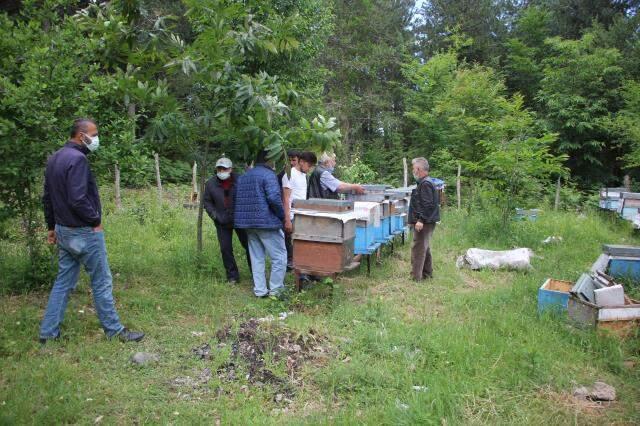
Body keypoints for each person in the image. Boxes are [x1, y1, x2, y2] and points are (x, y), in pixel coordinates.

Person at [40, 118, 144, 344]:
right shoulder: (77, 160)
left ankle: (48, 334)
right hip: (83, 232)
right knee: (102, 281)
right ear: (81, 136)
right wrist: (95, 219)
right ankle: (115, 330)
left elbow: (47, 197)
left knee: (63, 283)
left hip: (63, 231)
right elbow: (78, 199)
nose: (96, 139)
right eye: (94, 134)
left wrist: (51, 227)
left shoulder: (54, 159)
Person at [234, 150, 287, 298]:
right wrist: (282, 216)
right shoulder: (268, 175)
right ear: (269, 160)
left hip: (247, 224)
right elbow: (274, 198)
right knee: (279, 257)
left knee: (257, 257)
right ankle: (276, 291)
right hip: (266, 222)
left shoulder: (244, 176)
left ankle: (260, 290)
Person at [203, 156, 251, 284]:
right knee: (225, 249)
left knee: (249, 245)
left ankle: (256, 272)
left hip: (240, 219)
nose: (222, 171)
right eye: (219, 168)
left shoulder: (240, 180)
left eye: (224, 169)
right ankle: (232, 276)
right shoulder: (210, 184)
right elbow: (207, 202)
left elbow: (247, 197)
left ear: (231, 169)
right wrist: (215, 215)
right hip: (222, 221)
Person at [281, 150, 317, 267]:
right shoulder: (290, 174)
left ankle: (301, 265)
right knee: (290, 243)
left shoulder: (303, 175)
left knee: (302, 243)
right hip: (291, 216)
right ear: (302, 162)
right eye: (309, 166)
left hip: (301, 214)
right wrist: (287, 220)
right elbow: (286, 198)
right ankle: (290, 265)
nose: (310, 169)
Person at [408, 157, 440, 281]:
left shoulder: (425, 183)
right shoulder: (425, 182)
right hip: (427, 220)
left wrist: (420, 220)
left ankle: (416, 278)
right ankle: (427, 274)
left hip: (424, 221)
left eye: (413, 168)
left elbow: (427, 204)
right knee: (424, 248)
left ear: (418, 169)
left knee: (418, 249)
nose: (412, 171)